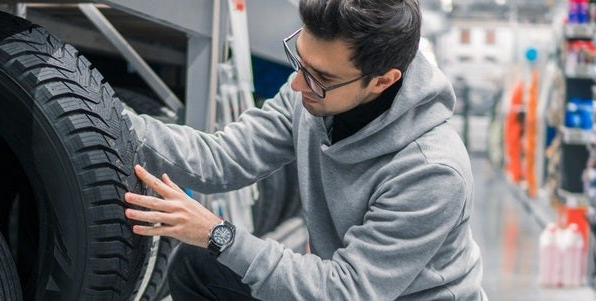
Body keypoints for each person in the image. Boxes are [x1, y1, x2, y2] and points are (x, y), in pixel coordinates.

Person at [120, 0, 486, 299]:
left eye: (321, 77)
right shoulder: (313, 95)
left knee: (217, 249)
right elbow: (222, 159)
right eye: (300, 62)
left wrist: (219, 234)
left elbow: (346, 291)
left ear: (383, 81)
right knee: (198, 265)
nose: (297, 85)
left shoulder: (431, 171)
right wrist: (109, 117)